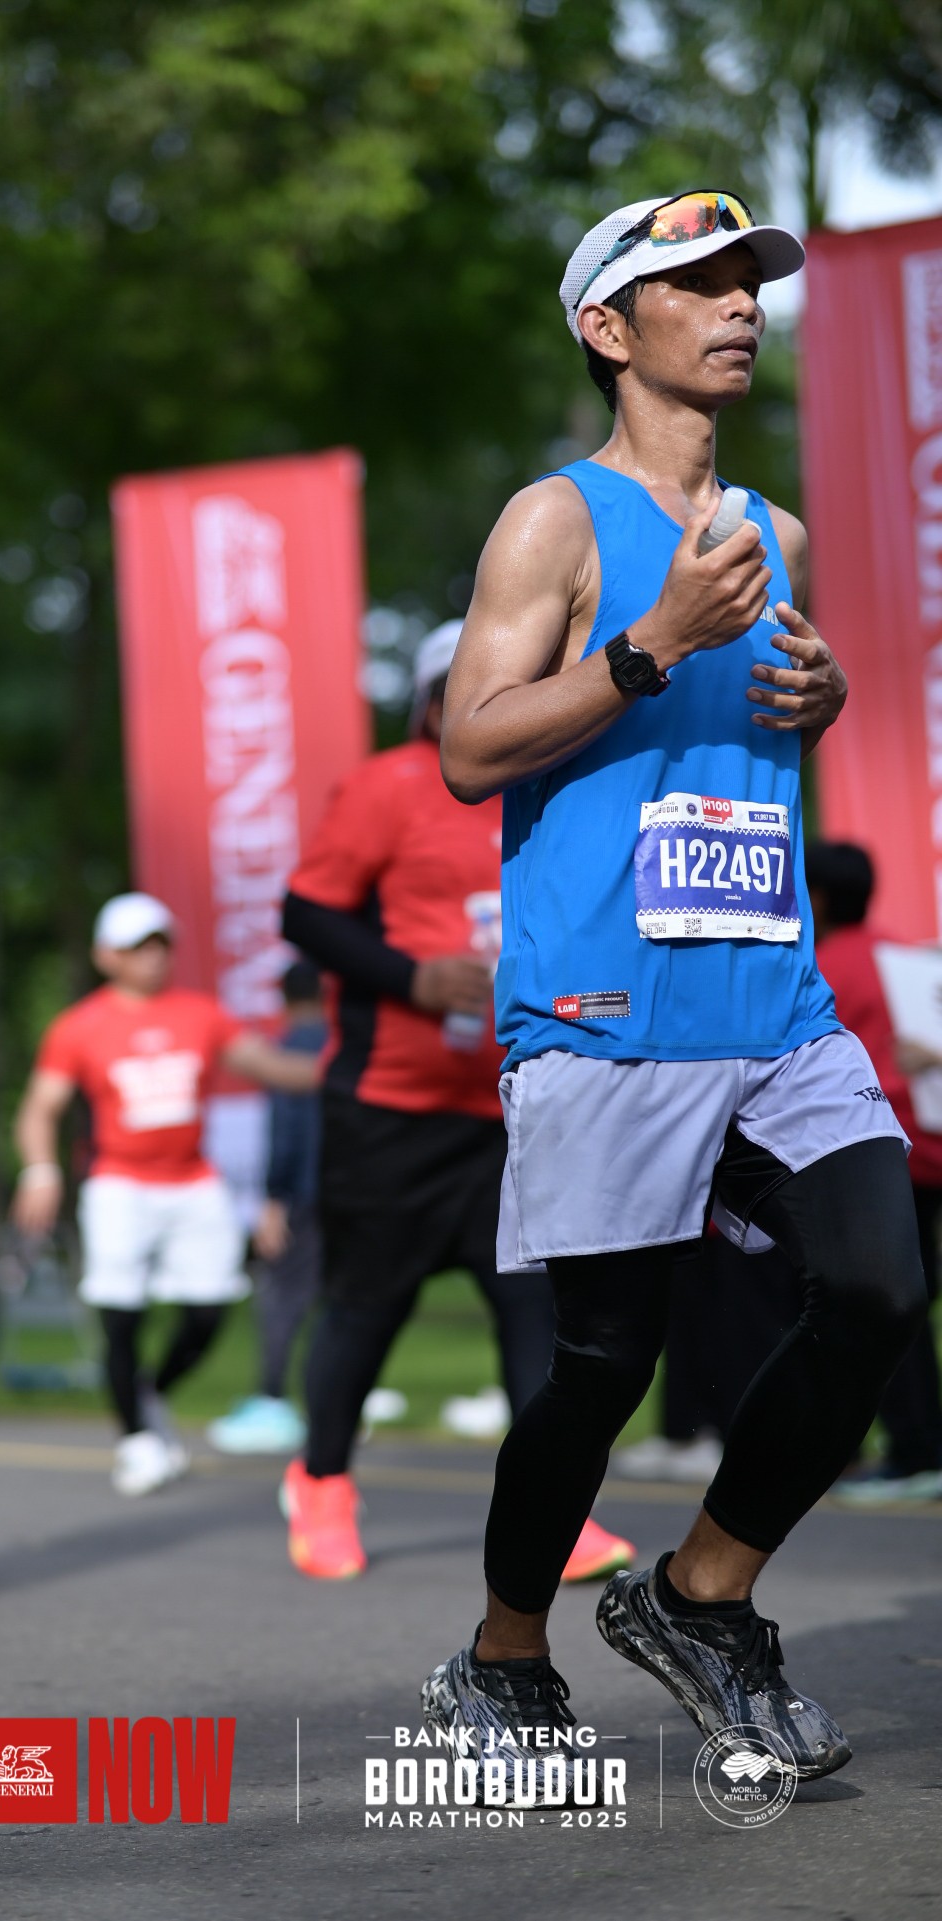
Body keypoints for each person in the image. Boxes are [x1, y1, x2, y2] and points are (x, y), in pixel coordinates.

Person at [421, 189, 926, 1790]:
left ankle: (702, 1594)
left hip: (772, 1000)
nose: (739, 305)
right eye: (697, 283)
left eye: (745, 283)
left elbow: (750, 730)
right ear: (607, 326)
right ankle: (505, 1651)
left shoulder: (777, 531)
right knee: (605, 1357)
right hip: (605, 1009)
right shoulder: (553, 522)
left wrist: (819, 694)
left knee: (879, 1286)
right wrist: (648, 641)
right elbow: (468, 747)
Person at [277, 621, 635, 1582]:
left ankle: (556, 1509)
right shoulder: (388, 783)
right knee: (367, 1305)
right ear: (437, 701)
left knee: (533, 1313)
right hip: (390, 1108)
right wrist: (412, 978)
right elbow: (304, 911)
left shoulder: (561, 790)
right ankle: (321, 1482)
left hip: (519, 1109)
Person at [11, 891, 319, 1497]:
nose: (151, 957)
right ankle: (137, 1440)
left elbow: (272, 1065)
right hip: (119, 1184)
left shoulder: (201, 1015)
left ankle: (148, 1392)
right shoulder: (79, 1026)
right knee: (121, 1314)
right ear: (107, 956)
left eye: (159, 945)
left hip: (193, 1181)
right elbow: (39, 1109)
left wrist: (347, 1071)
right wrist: (40, 1171)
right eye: (136, 947)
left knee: (209, 1310)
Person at [806, 840, 942, 1501]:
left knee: (878, 1303)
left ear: (818, 897)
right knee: (912, 1299)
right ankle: (915, 1445)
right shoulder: (902, 955)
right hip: (930, 1141)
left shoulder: (820, 966)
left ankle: (912, 1450)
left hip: (873, 1146)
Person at [207, 960, 328, 1455]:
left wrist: (274, 1199)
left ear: (285, 999)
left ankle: (273, 1400)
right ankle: (337, 1401)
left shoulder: (288, 1053)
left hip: (304, 1193)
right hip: (352, 1194)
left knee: (282, 1298)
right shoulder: (345, 1046)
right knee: (341, 1302)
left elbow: (288, 1132)